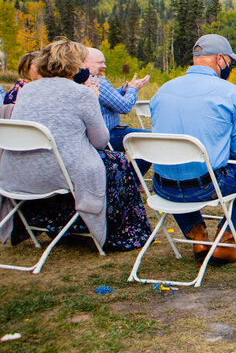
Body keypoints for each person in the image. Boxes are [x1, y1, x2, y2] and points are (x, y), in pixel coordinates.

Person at [0, 39, 151, 251]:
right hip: (59, 173)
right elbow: (100, 141)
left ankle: (55, 223)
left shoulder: (26, 91)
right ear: (74, 65)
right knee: (116, 162)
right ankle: (120, 232)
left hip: (18, 174)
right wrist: (93, 99)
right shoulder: (81, 93)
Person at [150, 34, 236, 263]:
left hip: (163, 186)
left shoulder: (163, 90)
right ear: (220, 59)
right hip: (206, 185)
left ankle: (198, 237)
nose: (230, 67)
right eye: (230, 62)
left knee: (179, 167)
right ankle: (224, 242)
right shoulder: (229, 92)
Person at [82, 47, 151, 173]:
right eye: (100, 62)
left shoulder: (81, 80)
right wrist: (133, 89)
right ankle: (132, 180)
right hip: (103, 136)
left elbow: (111, 97)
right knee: (150, 140)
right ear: (85, 62)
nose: (104, 66)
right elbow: (124, 107)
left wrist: (124, 89)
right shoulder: (96, 82)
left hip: (88, 136)